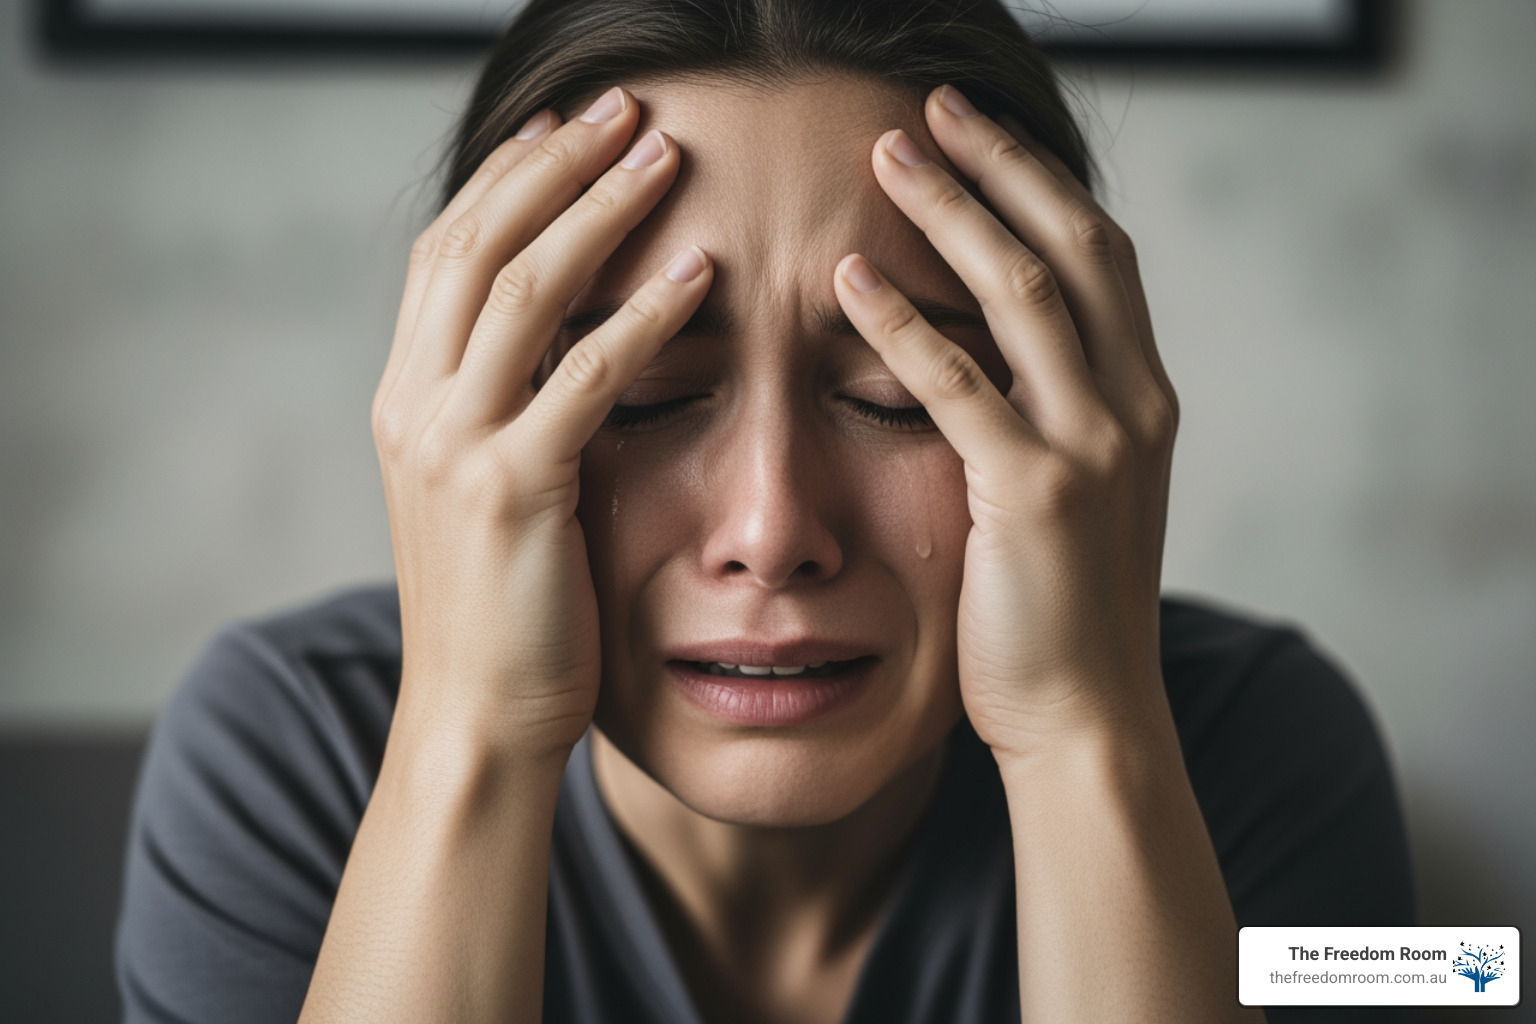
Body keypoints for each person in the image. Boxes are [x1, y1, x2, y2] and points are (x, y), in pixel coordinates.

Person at [114, 0, 1418, 1021]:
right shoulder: (279, 755)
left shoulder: (1273, 748)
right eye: (639, 393)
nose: (772, 526)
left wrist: (1089, 733)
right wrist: (470, 731)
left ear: (1074, 421)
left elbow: (1444, 981)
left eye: (902, 394)